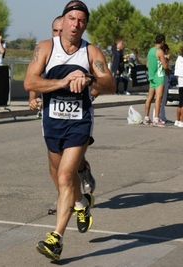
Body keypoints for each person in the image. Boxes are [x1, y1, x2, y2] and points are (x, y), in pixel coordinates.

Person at [23, 1, 115, 261]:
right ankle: (82, 203)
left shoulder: (91, 52)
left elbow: (110, 84)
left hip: (79, 122)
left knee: (65, 175)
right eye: (72, 18)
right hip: (52, 123)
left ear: (85, 25)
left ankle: (56, 239)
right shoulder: (45, 48)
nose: (76, 24)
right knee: (58, 176)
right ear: (62, 21)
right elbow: (29, 81)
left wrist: (90, 78)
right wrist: (63, 81)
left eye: (81, 20)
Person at [28, 15, 98, 216]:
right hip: (53, 116)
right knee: (56, 165)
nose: (59, 34)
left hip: (78, 118)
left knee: (68, 167)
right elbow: (34, 78)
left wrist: (90, 91)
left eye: (61, 31)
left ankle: (65, 199)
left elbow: (101, 81)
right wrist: (33, 98)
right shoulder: (46, 49)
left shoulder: (86, 51)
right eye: (55, 31)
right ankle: (72, 193)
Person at [143, 33, 169, 127]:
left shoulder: (150, 51)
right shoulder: (160, 51)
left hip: (152, 77)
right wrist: (166, 60)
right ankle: (156, 118)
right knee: (159, 98)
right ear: (162, 42)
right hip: (159, 77)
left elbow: (147, 65)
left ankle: (146, 117)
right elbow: (165, 66)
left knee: (149, 97)